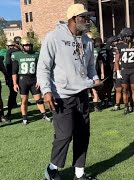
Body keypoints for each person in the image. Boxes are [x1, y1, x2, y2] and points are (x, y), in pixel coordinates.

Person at [37, 4, 100, 180]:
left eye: (88, 18)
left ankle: (79, 174)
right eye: (84, 18)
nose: (88, 21)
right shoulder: (54, 37)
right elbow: (43, 67)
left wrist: (94, 80)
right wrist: (46, 91)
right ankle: (52, 169)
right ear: (73, 18)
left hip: (82, 94)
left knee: (82, 134)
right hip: (61, 95)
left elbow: (89, 67)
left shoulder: (87, 41)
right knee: (64, 135)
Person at [11, 37, 51, 125]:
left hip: (34, 79)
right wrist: (14, 83)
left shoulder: (36, 54)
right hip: (23, 80)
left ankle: (44, 115)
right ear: (22, 46)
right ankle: (24, 118)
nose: (27, 47)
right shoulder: (17, 55)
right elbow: (14, 71)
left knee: (39, 100)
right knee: (24, 100)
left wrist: (39, 80)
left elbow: (39, 69)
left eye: (29, 45)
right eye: (25, 45)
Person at [114, 27, 134, 114]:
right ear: (124, 37)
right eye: (128, 36)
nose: (129, 38)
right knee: (124, 90)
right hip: (124, 70)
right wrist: (118, 72)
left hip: (133, 70)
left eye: (131, 36)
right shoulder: (119, 46)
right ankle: (126, 107)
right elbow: (117, 60)